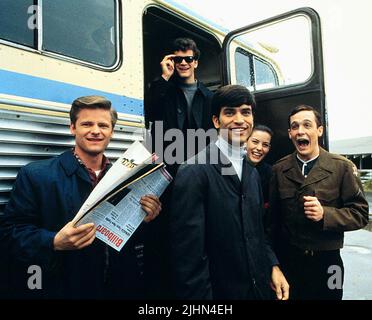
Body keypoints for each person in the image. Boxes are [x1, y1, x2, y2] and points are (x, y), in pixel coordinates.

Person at [0, 95, 161, 299]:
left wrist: (145, 218)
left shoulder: (126, 177)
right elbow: (10, 234)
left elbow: (129, 239)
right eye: (87, 124)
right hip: (64, 290)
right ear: (73, 128)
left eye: (103, 125)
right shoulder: (36, 175)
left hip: (120, 289)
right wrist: (54, 241)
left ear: (111, 131)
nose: (96, 131)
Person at [169, 85, 289, 300]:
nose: (239, 120)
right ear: (216, 121)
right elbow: (188, 258)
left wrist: (273, 265)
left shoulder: (252, 174)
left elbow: (257, 232)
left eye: (246, 112)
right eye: (230, 112)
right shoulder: (194, 171)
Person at [268, 104, 369, 300]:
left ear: (319, 130)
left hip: (330, 264)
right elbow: (271, 224)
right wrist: (273, 264)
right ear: (290, 133)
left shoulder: (343, 167)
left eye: (307, 125)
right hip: (289, 263)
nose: (300, 131)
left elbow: (361, 215)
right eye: (295, 127)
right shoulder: (279, 170)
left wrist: (326, 214)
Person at [144, 37, 214, 298]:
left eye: (188, 58)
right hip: (166, 175)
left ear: (196, 62)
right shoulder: (162, 89)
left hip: (199, 174)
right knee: (163, 235)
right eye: (177, 58)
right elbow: (150, 114)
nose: (183, 63)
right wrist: (164, 78)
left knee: (197, 233)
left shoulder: (209, 96)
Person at [247, 124, 273, 206]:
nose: (259, 148)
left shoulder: (271, 174)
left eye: (265, 145)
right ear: (245, 142)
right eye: (255, 142)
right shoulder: (231, 168)